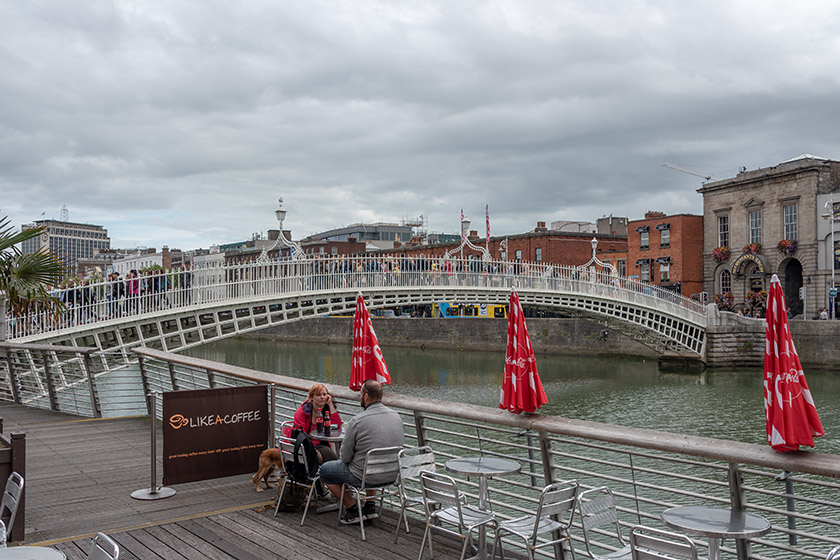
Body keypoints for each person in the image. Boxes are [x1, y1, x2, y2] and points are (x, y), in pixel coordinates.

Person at [319, 380, 404, 524]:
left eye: (360, 394)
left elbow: (344, 457)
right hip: (391, 474)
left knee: (325, 471)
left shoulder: (357, 421)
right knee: (369, 462)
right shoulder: (397, 416)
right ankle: (370, 507)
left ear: (365, 396)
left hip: (364, 476)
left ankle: (353, 510)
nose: (359, 398)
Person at [284, 383, 342, 464]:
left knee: (333, 459)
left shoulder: (326, 410)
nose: (322, 397)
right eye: (318, 395)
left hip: (319, 444)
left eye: (324, 394)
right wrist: (314, 451)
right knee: (322, 460)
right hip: (302, 446)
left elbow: (337, 425)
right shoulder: (302, 412)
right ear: (312, 397)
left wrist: (330, 404)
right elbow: (300, 435)